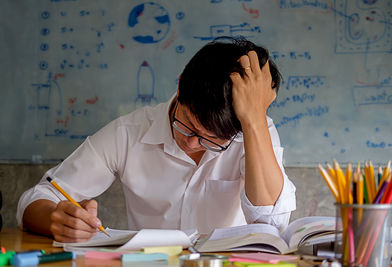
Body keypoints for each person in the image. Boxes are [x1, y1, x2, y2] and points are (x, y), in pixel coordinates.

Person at [17, 37, 296, 243]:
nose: (191, 144)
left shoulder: (253, 130)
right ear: (179, 86)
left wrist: (254, 121)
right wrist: (56, 221)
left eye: (211, 141)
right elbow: (38, 198)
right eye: (187, 126)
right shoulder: (129, 132)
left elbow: (272, 224)